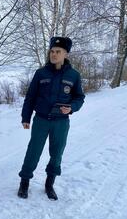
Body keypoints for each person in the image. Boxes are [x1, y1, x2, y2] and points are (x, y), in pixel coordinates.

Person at [17, 36, 85, 200]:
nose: (54, 54)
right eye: (52, 51)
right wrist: (26, 117)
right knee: (33, 151)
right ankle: (24, 182)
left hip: (61, 122)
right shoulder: (41, 73)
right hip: (41, 120)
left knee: (57, 153)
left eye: (58, 52)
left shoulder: (74, 75)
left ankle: (49, 183)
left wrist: (71, 108)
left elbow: (79, 97)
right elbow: (30, 97)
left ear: (66, 54)